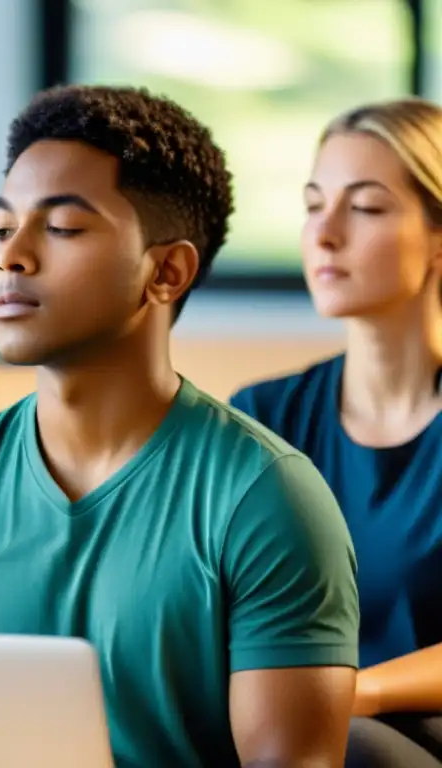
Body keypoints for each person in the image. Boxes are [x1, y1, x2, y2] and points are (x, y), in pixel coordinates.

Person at [0, 84, 361, 767]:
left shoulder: (267, 499)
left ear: (166, 271)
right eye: (0, 228)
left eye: (61, 229)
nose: (10, 257)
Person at [230, 98, 442, 767]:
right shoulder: (263, 418)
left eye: (366, 208)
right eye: (314, 204)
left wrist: (353, 693)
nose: (324, 234)